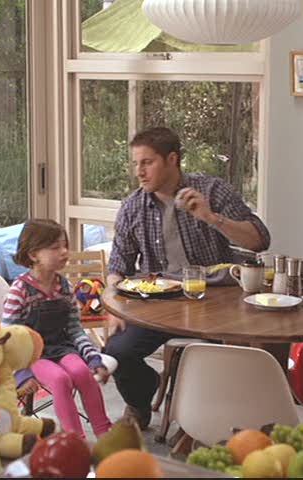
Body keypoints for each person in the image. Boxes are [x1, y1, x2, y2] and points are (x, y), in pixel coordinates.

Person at [104, 127, 271, 429]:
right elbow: (118, 266)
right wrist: (113, 305)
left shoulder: (213, 191)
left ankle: (219, 422)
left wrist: (211, 217)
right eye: (136, 164)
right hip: (158, 304)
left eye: (147, 162)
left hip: (216, 303)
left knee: (224, 365)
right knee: (117, 350)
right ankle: (139, 403)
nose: (139, 172)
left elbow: (260, 240)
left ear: (173, 159)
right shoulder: (133, 207)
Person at [2, 219, 112, 438]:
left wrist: (93, 358)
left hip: (62, 347)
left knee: (82, 372)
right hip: (32, 356)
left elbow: (75, 330)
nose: (64, 252)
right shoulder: (19, 290)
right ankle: (75, 439)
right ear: (33, 255)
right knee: (61, 380)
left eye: (65, 246)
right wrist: (22, 373)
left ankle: (104, 433)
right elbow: (8, 338)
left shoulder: (64, 287)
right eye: (55, 248)